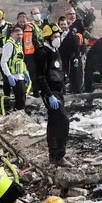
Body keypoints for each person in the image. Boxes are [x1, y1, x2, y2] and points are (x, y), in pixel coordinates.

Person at [34, 24, 70, 166]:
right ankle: (57, 155)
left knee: (58, 122)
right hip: (50, 92)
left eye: (58, 36)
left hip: (59, 91)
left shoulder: (55, 50)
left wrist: (64, 78)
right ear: (48, 38)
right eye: (55, 37)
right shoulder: (42, 52)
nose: (57, 39)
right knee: (60, 121)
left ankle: (57, 155)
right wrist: (49, 95)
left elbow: (57, 69)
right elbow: (41, 76)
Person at [0, 25, 29, 113]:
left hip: (19, 75)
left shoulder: (19, 45)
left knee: (22, 96)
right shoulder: (9, 45)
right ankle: (19, 114)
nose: (20, 36)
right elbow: (3, 62)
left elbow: (20, 60)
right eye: (18, 35)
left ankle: (20, 113)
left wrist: (24, 71)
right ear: (12, 34)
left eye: (21, 34)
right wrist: (9, 75)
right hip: (13, 75)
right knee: (20, 96)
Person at [17, 11, 42, 96]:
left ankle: (35, 91)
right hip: (18, 56)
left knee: (33, 74)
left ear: (27, 20)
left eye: (24, 19)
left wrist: (39, 52)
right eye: (20, 20)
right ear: (17, 20)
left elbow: (35, 41)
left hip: (30, 55)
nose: (22, 22)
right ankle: (21, 92)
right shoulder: (13, 29)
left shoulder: (31, 28)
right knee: (18, 74)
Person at [58, 16, 83, 93]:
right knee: (61, 76)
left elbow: (77, 47)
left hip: (71, 58)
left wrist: (77, 57)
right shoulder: (58, 34)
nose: (63, 26)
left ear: (67, 24)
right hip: (61, 58)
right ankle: (63, 93)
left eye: (64, 24)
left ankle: (77, 92)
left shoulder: (72, 34)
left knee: (75, 77)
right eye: (61, 25)